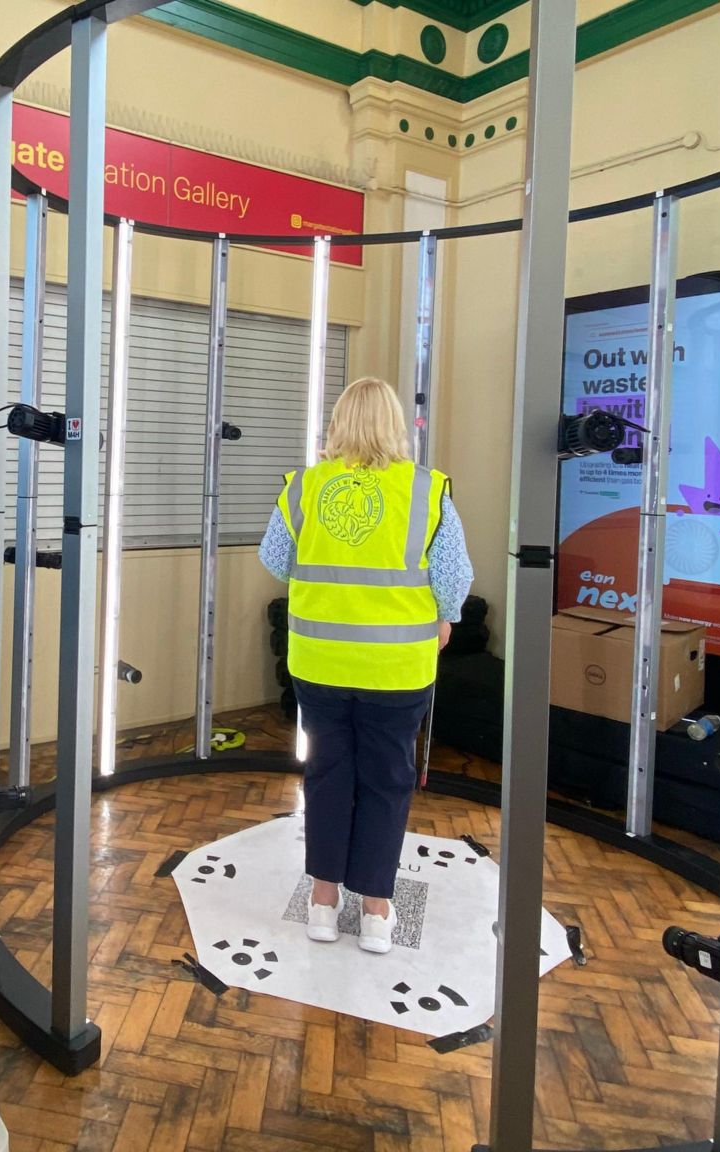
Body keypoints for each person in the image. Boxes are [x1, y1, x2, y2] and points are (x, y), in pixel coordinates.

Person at [260, 376, 471, 954]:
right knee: (387, 780)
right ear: (395, 426)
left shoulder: (305, 487)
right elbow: (453, 578)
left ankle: (323, 901)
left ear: (338, 424)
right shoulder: (427, 491)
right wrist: (445, 614)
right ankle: (376, 908)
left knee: (327, 775)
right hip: (397, 670)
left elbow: (276, 560)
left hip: (320, 663)